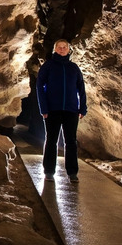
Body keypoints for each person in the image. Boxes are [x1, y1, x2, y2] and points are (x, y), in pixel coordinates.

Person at [36, 39, 87, 182]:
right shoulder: (48, 66)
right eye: (59, 47)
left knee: (71, 141)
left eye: (65, 47)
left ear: (69, 50)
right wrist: (43, 108)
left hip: (71, 110)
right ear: (55, 49)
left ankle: (72, 172)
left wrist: (82, 107)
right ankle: (49, 171)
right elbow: (39, 87)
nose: (62, 49)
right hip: (52, 109)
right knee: (51, 140)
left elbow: (81, 89)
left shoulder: (74, 68)